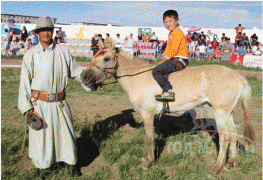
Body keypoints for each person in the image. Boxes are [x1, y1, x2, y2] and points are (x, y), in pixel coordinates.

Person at [18, 16, 84, 176]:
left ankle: (71, 164)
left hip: (60, 103)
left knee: (66, 134)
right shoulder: (31, 55)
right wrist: (27, 109)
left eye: (49, 29)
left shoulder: (63, 52)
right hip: (40, 105)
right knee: (42, 138)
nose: (46, 33)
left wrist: (91, 80)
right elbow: (24, 84)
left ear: (53, 31)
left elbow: (77, 72)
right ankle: (43, 167)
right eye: (42, 30)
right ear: (37, 33)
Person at [153, 10, 189, 101]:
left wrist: (166, 58)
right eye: (165, 22)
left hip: (179, 60)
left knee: (156, 71)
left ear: (177, 21)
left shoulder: (177, 32)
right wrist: (164, 58)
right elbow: (168, 48)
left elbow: (174, 49)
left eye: (170, 21)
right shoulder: (172, 33)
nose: (168, 24)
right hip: (174, 59)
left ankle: (168, 91)